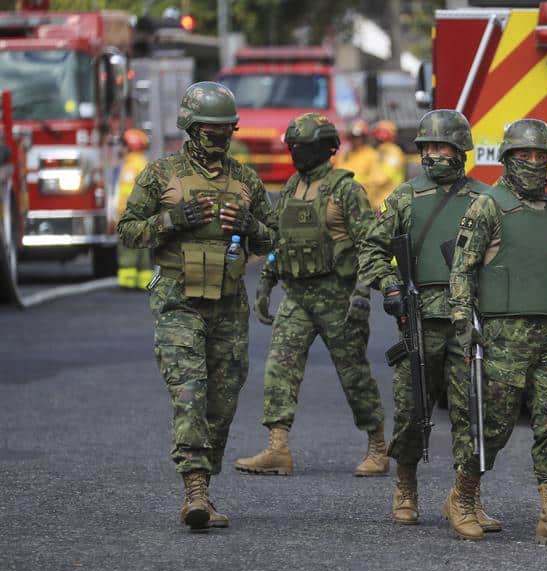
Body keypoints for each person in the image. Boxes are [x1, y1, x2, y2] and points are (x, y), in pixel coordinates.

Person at [117, 81, 278, 531]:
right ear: (190, 127)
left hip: (228, 304)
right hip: (177, 300)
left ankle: (205, 484)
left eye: (226, 129)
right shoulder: (160, 173)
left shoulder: (245, 179)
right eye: (210, 128)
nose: (219, 136)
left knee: (222, 400)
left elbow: (274, 236)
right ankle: (195, 491)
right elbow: (128, 230)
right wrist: (171, 220)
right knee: (190, 390)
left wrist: (249, 227)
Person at [447, 118, 547, 546]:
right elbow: (462, 268)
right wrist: (461, 322)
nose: (533, 162)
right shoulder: (488, 205)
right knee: (492, 425)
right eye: (524, 155)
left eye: (540, 156)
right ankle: (462, 497)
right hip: (503, 335)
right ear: (508, 159)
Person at [357, 109, 499, 534]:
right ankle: (405, 487)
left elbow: (501, 259)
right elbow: (371, 250)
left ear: (461, 151)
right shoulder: (404, 197)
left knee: (471, 411)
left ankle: (466, 498)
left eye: (443, 147)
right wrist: (390, 286)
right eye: (428, 147)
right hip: (418, 319)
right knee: (411, 410)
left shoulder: (485, 199)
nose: (435, 155)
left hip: (467, 320)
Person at [234, 113, 387, 478]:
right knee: (279, 369)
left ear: (325, 148)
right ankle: (277, 448)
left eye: (302, 147)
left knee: (354, 374)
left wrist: (363, 292)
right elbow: (278, 239)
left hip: (338, 297)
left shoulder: (346, 189)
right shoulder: (290, 188)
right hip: (298, 296)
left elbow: (370, 244)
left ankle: (378, 447)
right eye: (293, 147)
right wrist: (267, 281)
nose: (296, 153)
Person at [115, 128, 152, 289]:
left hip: (131, 215)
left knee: (128, 247)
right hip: (144, 214)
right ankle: (144, 280)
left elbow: (127, 193)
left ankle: (127, 280)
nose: (121, 149)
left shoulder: (131, 165)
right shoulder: (144, 163)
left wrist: (121, 215)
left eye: (124, 145)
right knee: (143, 248)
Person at [333, 119, 389, 211]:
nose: (356, 140)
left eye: (358, 136)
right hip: (341, 203)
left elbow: (376, 181)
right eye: (353, 136)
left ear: (364, 137)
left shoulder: (372, 155)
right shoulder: (344, 155)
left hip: (362, 204)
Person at [371, 119, 407, 210]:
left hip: (388, 203)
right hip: (379, 203)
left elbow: (382, 178)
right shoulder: (379, 151)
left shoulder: (393, 152)